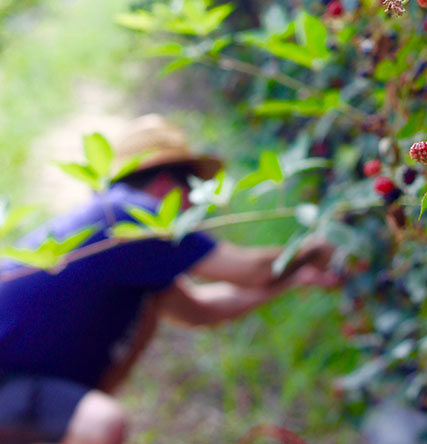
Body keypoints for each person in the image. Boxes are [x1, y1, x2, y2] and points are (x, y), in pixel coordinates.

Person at [0, 115, 337, 444]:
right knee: (100, 424)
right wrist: (317, 247)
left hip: (21, 384)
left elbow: (200, 310)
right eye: (190, 194)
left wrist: (294, 280)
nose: (193, 208)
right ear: (165, 185)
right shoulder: (133, 215)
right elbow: (253, 271)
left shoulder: (123, 243)